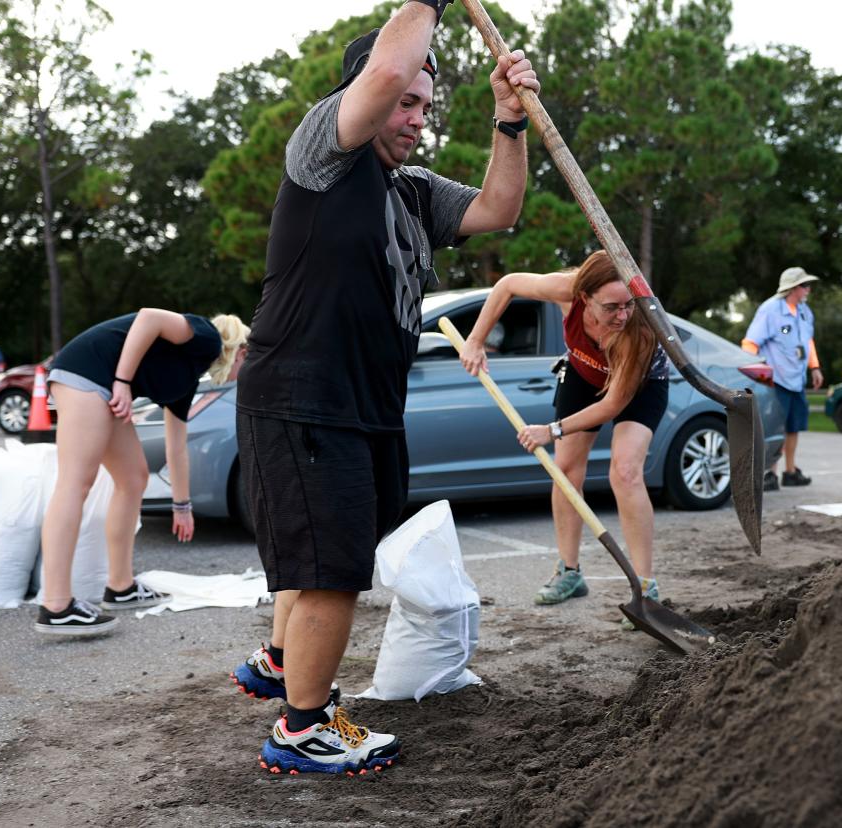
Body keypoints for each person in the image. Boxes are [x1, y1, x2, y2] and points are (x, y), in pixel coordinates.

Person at [231, 0, 539, 778]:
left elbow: (499, 209)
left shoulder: (410, 191)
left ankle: (281, 664)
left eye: (426, 108)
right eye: (404, 104)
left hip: (365, 407)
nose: (416, 118)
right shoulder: (323, 153)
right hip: (305, 394)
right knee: (333, 571)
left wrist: (509, 121)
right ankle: (302, 730)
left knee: (329, 559)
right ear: (364, 94)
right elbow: (394, 63)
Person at [459, 250, 668, 625]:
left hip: (640, 385)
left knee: (625, 472)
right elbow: (507, 285)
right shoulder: (565, 290)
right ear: (584, 298)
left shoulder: (638, 330)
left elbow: (612, 405)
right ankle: (569, 572)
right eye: (611, 307)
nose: (622, 314)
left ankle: (646, 588)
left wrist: (552, 430)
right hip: (582, 373)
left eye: (628, 304)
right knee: (566, 469)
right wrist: (476, 340)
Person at [34, 309, 250, 636]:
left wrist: (182, 506)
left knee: (134, 477)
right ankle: (56, 605)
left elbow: (176, 446)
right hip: (88, 374)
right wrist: (122, 381)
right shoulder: (206, 337)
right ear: (241, 352)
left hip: (105, 385)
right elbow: (149, 318)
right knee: (75, 483)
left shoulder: (188, 377)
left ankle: (120, 587)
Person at [741, 267, 824, 490]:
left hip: (797, 380)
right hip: (775, 380)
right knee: (774, 427)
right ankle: (770, 473)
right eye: (805, 285)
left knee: (793, 426)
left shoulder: (805, 312)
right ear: (793, 288)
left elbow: (809, 342)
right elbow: (750, 343)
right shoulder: (770, 309)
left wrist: (814, 367)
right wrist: (758, 374)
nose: (808, 289)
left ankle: (790, 471)